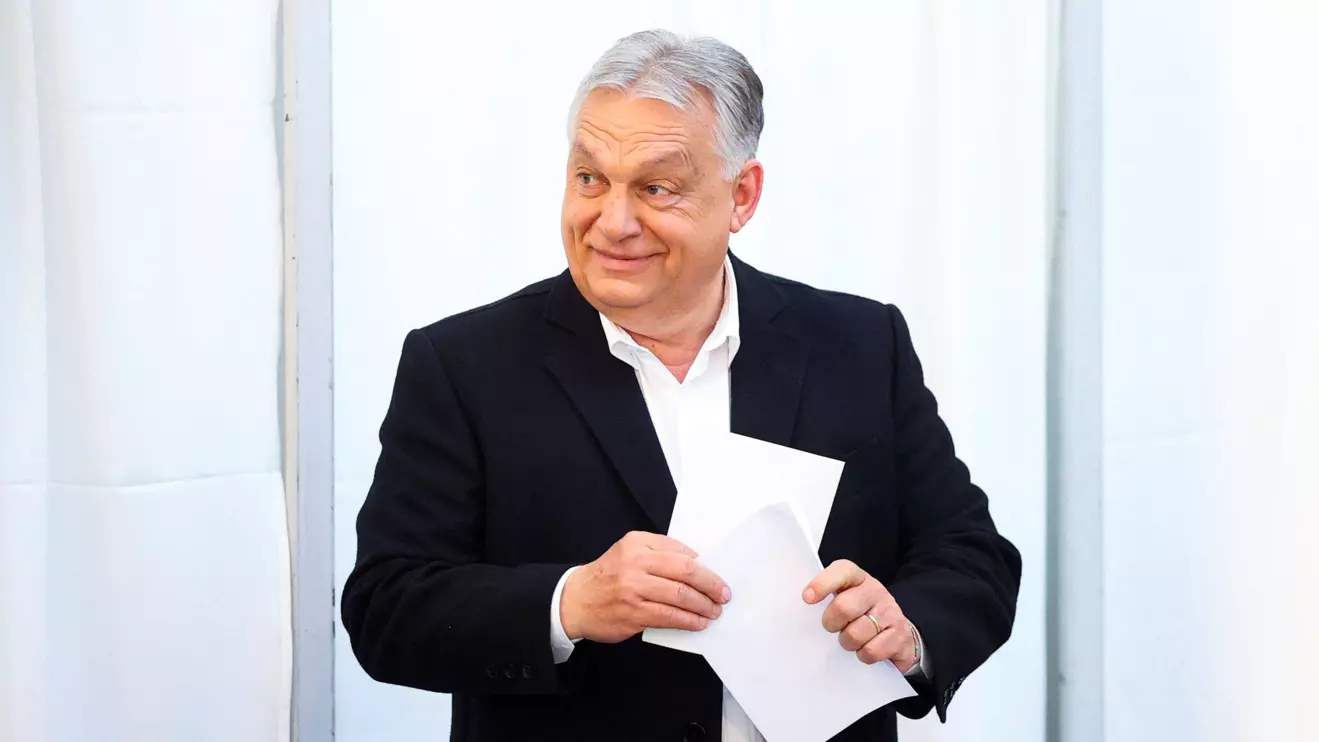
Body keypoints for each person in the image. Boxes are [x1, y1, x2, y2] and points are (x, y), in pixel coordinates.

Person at [342, 29, 1021, 742]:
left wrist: (906, 628)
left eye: (655, 188)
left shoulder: (857, 343)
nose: (612, 221)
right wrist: (568, 603)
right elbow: (386, 607)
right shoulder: (463, 364)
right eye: (589, 179)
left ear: (742, 196)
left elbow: (969, 557)